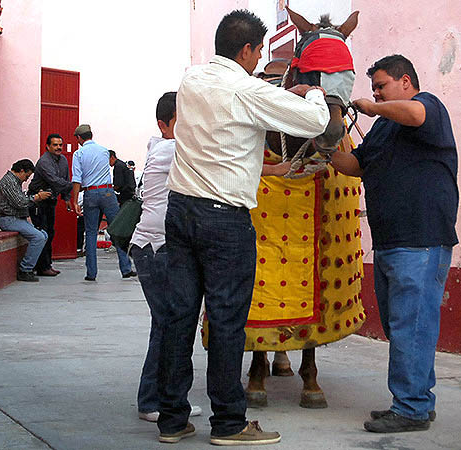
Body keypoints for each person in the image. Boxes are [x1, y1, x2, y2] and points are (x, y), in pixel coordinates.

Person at [156, 9, 329, 446]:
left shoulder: (191, 80)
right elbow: (316, 123)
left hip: (181, 211)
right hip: (224, 218)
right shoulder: (246, 88)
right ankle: (229, 424)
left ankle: (172, 420)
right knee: (229, 319)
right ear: (248, 49)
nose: (258, 61)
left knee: (179, 316)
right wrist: (312, 94)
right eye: (257, 53)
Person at [330, 54, 459, 433]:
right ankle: (417, 398)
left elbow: (414, 115)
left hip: (421, 241)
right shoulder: (384, 129)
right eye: (373, 89)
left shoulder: (427, 107)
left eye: (382, 86)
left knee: (410, 326)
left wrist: (374, 107)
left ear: (406, 82)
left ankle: (411, 408)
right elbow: (356, 165)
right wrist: (323, 149)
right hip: (391, 243)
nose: (376, 94)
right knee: (402, 325)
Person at [129, 92, 202, 423]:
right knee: (169, 323)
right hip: (154, 248)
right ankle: (152, 401)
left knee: (167, 323)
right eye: (182, 120)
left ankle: (161, 398)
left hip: (157, 247)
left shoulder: (162, 147)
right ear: (164, 124)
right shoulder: (170, 150)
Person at [71, 124, 136, 281]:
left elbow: (77, 179)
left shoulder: (78, 154)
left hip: (90, 193)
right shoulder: (104, 151)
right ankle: (126, 268)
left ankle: (91, 273)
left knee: (91, 232)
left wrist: (74, 201)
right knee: (117, 230)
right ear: (91, 135)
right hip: (107, 192)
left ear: (79, 138)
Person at [0, 159, 52, 281]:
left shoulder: (14, 182)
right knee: (39, 237)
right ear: (21, 171)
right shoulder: (9, 182)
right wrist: (37, 197)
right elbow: (20, 203)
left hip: (16, 219)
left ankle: (30, 267)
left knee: (43, 234)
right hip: (10, 219)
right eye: (27, 176)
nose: (27, 179)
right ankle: (25, 269)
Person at [27, 133, 73, 276]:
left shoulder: (63, 159)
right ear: (48, 146)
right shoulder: (44, 161)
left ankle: (47, 264)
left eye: (60, 145)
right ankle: (42, 267)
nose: (59, 147)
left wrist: (66, 198)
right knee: (43, 233)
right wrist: (75, 187)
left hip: (51, 200)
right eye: (55, 145)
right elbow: (54, 180)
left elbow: (64, 178)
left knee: (50, 232)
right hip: (38, 201)